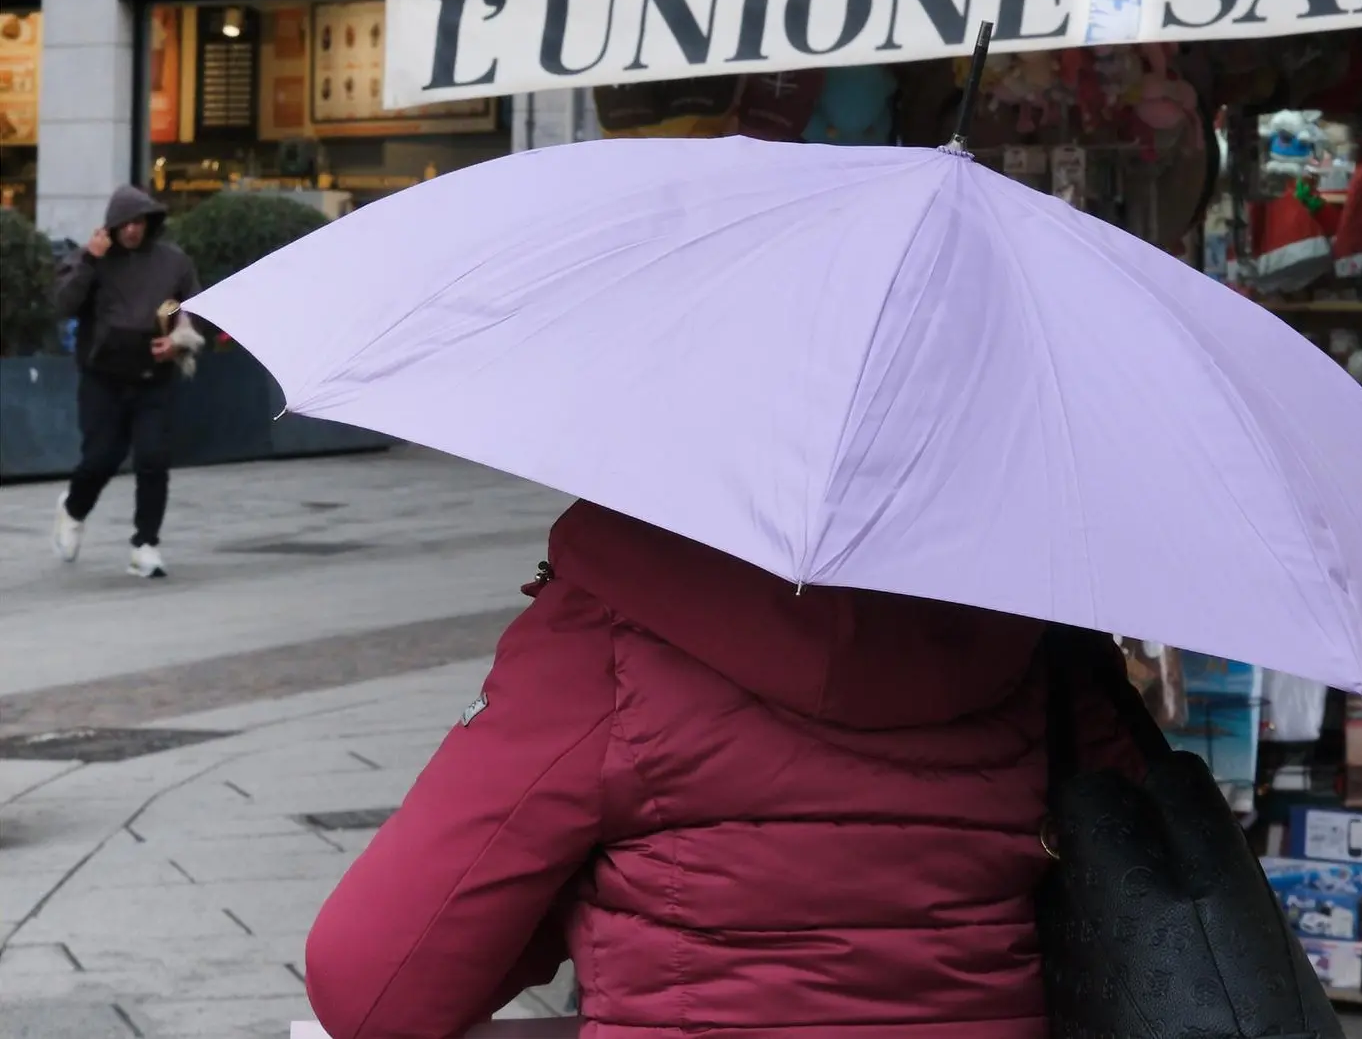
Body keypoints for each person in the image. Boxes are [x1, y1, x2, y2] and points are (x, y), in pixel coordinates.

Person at [304, 500, 1139, 1039]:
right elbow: (1142, 879)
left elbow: (371, 991)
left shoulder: (608, 633)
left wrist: (567, 910)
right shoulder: (1042, 640)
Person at [51, 185, 201, 579]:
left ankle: (145, 545)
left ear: (151, 222)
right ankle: (73, 510)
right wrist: (88, 260)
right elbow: (64, 305)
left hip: (155, 379)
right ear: (111, 226)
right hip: (103, 379)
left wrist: (177, 342)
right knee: (101, 459)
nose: (133, 230)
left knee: (153, 460)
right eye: (125, 223)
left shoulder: (172, 262)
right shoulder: (92, 259)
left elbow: (185, 307)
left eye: (140, 222)